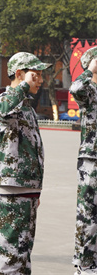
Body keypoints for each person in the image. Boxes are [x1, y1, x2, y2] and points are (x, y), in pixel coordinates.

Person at [0, 52, 51, 274]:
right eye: (36, 75)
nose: (41, 80)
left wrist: (35, 189)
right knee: (9, 253)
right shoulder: (7, 100)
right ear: (19, 74)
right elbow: (4, 111)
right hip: (13, 189)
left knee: (23, 254)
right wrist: (24, 86)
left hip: (27, 188)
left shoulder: (27, 107)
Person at [72, 47, 97, 275]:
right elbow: (76, 87)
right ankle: (85, 265)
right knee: (88, 215)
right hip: (92, 162)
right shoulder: (90, 93)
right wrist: (90, 69)